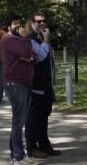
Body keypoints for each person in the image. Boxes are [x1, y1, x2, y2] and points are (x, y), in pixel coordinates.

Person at [25, 12, 62, 159]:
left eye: (43, 21)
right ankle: (32, 146)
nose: (41, 24)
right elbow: (39, 57)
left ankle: (44, 144)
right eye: (38, 22)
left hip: (46, 83)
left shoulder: (41, 37)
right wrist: (46, 40)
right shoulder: (30, 39)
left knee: (44, 114)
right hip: (36, 83)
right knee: (34, 116)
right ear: (32, 23)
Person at [0, 14, 35, 163]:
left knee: (19, 120)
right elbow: (27, 52)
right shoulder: (9, 39)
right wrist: (26, 39)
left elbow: (32, 56)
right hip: (16, 84)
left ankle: (15, 155)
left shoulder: (17, 40)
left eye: (19, 23)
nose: (18, 26)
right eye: (15, 24)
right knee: (18, 121)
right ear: (8, 26)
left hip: (23, 82)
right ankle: (18, 157)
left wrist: (28, 56)